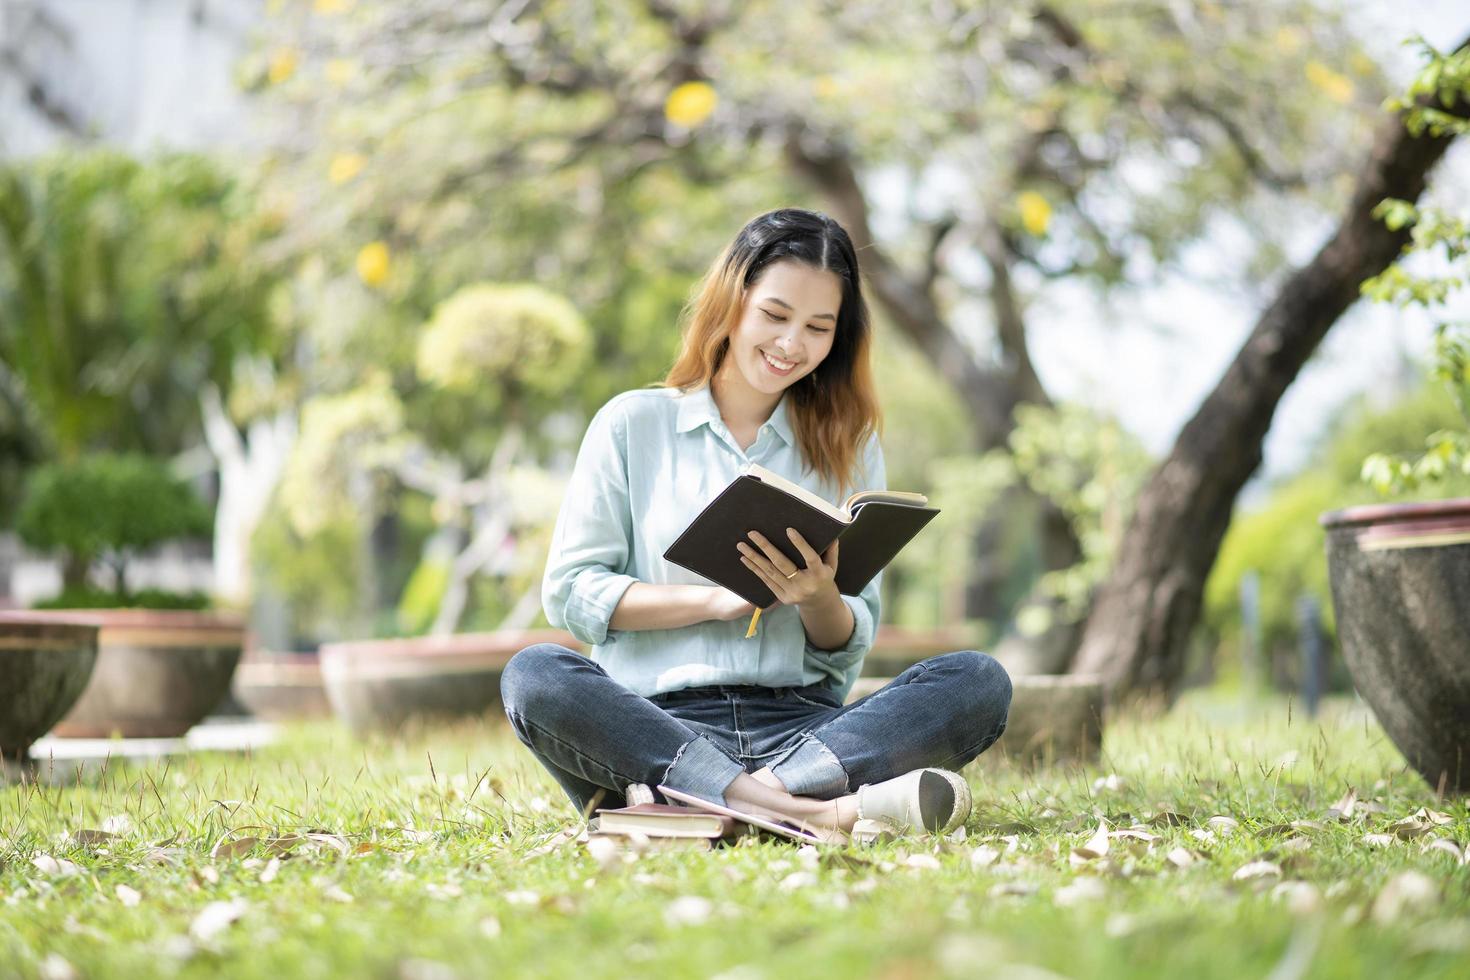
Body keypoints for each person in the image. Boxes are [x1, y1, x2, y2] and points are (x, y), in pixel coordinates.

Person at [501, 208, 1012, 839]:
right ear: (731, 302)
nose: (792, 344)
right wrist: (715, 600)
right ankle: (814, 814)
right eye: (775, 315)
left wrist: (821, 596)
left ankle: (704, 809)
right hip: (654, 729)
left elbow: (848, 641)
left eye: (818, 327)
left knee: (976, 681)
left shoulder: (849, 444)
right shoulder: (632, 425)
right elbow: (573, 593)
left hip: (806, 734)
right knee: (535, 674)